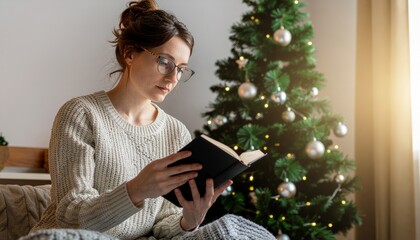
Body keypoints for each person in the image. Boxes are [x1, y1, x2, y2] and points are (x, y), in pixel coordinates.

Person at [27, 1, 276, 239]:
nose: (173, 78)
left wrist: (188, 220)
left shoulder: (176, 132)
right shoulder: (81, 114)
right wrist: (136, 189)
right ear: (129, 54)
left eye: (180, 68)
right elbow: (71, 217)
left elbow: (162, 228)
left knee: (230, 231)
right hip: (69, 237)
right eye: (165, 62)